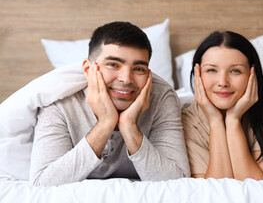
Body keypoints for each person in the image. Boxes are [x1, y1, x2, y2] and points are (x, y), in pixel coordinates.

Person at [29, 21, 190, 186]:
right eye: (113, 64)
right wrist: (106, 123)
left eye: (139, 68)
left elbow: (178, 182)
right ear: (87, 69)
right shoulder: (60, 99)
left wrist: (129, 127)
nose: (126, 79)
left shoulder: (162, 97)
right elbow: (42, 184)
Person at [182, 31, 263, 180]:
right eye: (211, 70)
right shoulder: (186, 121)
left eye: (235, 71)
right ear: (198, 75)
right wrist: (215, 121)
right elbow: (215, 189)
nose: (222, 82)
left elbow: (256, 187)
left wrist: (233, 120)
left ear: (252, 74)